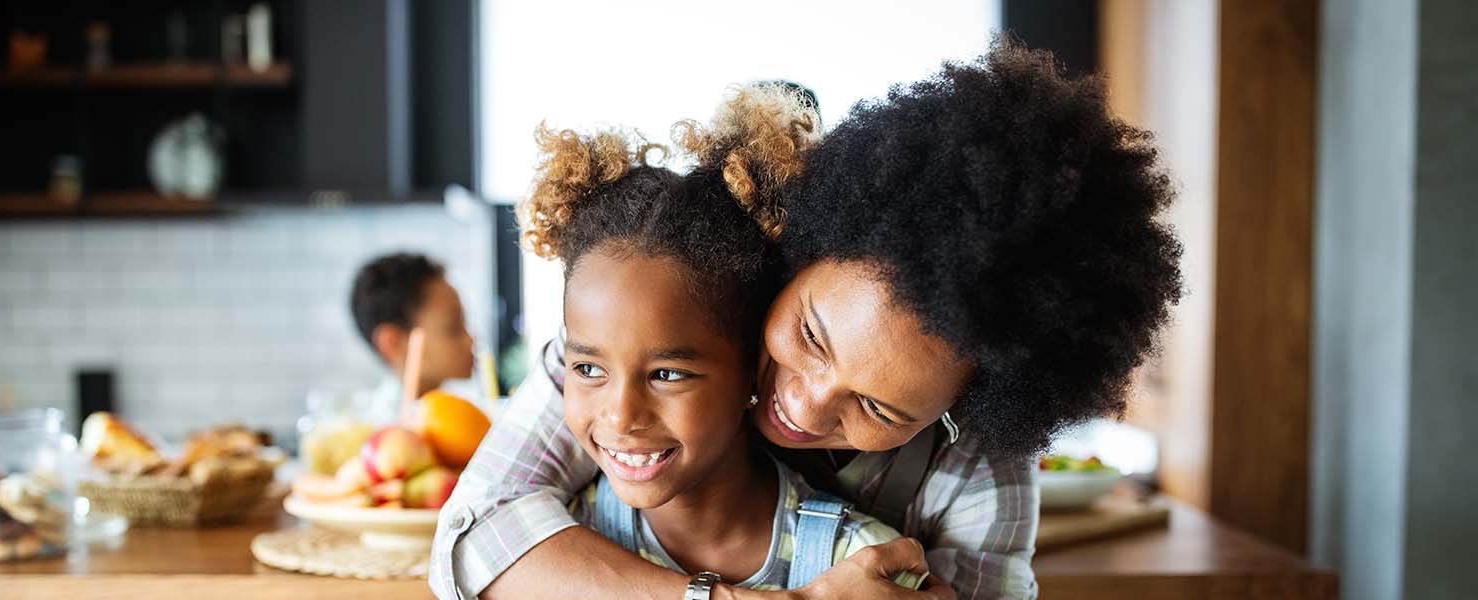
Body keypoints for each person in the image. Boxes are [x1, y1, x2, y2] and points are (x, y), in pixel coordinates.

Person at [432, 39, 1182, 600]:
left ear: (964, 405)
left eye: (878, 405)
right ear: (804, 246)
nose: (803, 402)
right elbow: (472, 537)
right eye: (811, 337)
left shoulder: (979, 470)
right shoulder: (658, 336)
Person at [520, 105, 923, 590]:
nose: (620, 415)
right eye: (587, 368)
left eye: (666, 374)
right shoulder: (545, 545)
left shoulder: (863, 570)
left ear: (754, 369)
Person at [348, 253, 476, 416]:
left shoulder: (461, 413)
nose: (471, 340)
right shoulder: (388, 432)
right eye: (453, 328)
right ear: (393, 343)